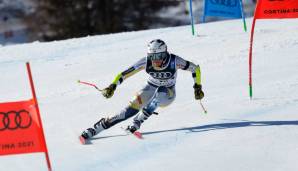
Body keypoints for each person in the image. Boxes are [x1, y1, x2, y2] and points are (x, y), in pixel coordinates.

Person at [80, 39, 204, 140]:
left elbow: (195, 68)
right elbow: (124, 74)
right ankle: (97, 128)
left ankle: (138, 121)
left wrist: (197, 86)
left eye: (159, 56)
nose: (155, 60)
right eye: (152, 56)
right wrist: (113, 86)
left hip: (168, 93)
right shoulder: (145, 62)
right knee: (128, 110)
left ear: (165, 54)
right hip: (150, 87)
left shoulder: (175, 61)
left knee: (160, 94)